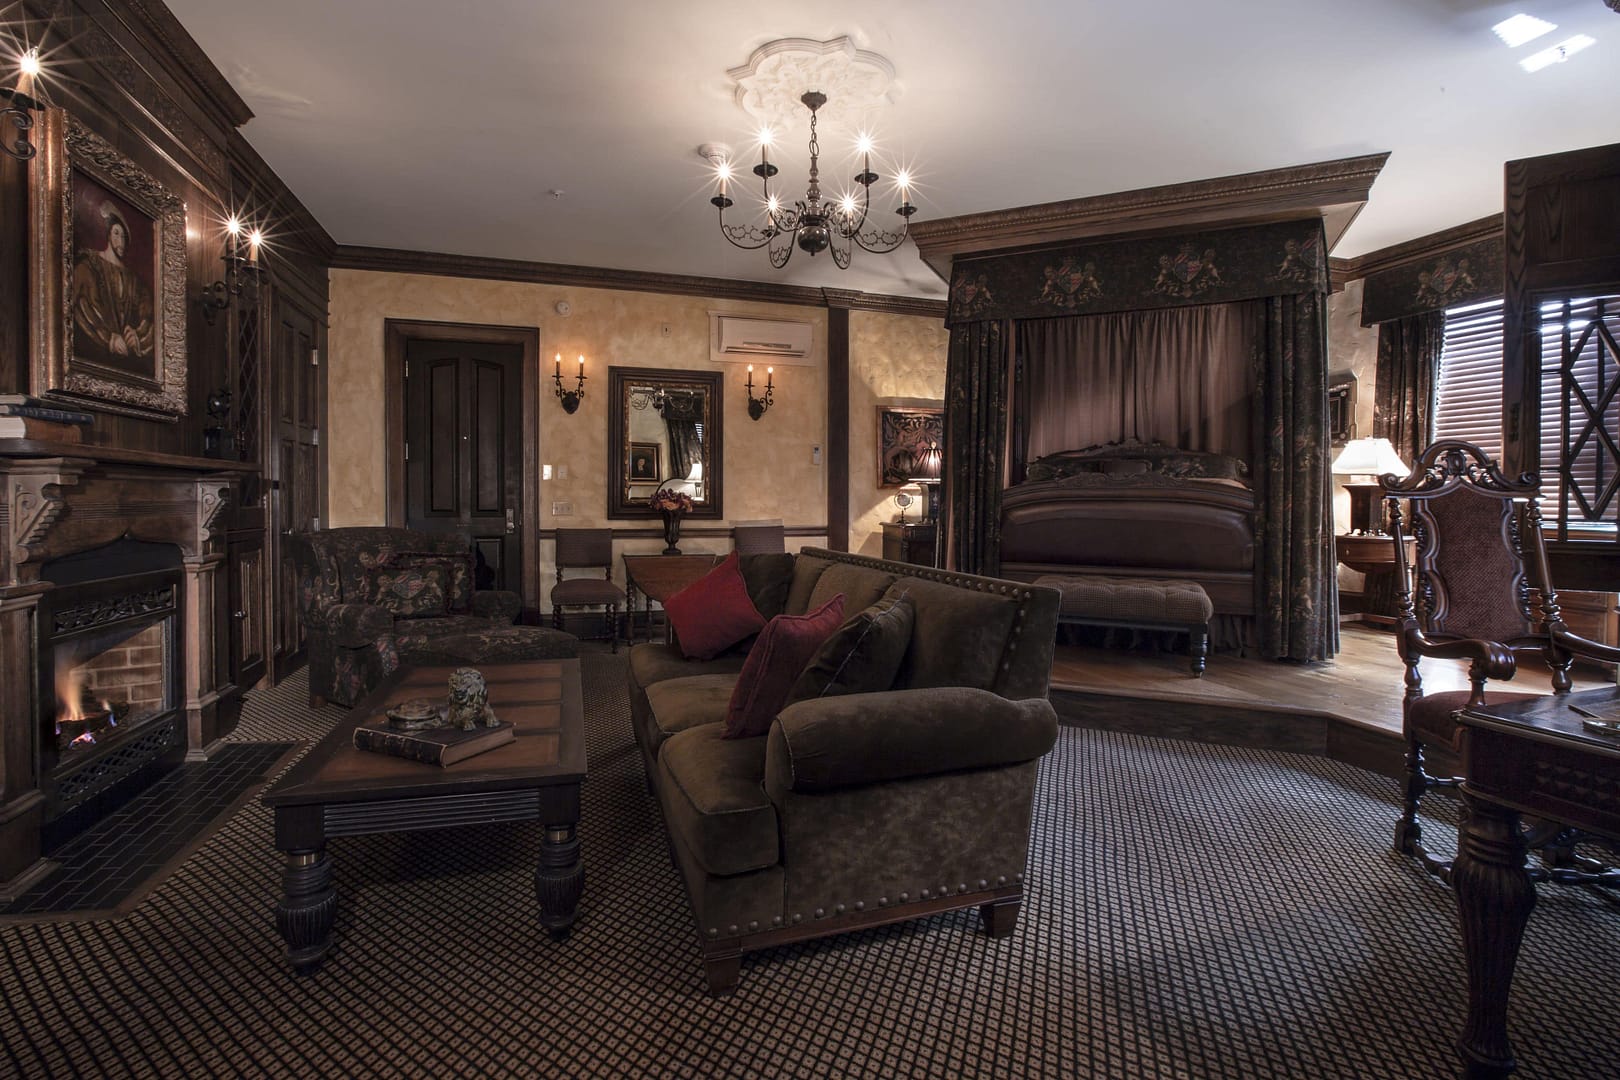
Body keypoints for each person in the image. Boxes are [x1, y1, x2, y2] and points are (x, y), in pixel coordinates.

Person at [72, 202, 154, 374]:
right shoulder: (89, 265)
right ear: (109, 235)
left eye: (124, 237)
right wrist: (108, 337)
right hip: (93, 362)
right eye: (117, 234)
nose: (121, 241)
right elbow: (81, 306)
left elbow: (147, 316)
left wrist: (136, 335)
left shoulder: (133, 280)